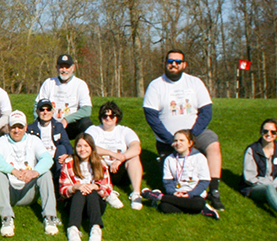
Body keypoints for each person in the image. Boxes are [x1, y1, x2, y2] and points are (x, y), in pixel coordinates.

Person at [143, 49, 224, 210]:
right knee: (173, 181)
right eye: (170, 61)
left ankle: (214, 190)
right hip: (168, 138)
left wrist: (191, 136)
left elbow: (206, 112)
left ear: (184, 64)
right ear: (165, 64)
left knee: (214, 145)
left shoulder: (195, 82)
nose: (174, 64)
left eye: (178, 61)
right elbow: (151, 116)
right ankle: (176, 196)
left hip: (196, 133)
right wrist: (171, 139)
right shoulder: (156, 85)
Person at [0, 110, 59, 237]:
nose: (17, 130)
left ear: (26, 127)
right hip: (10, 192)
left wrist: (34, 172)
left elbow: (47, 159)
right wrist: (13, 171)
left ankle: (50, 217)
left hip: (29, 191)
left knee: (45, 173)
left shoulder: (34, 140)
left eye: (20, 127)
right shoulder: (1, 141)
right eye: (13, 127)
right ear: (8, 127)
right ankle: (7, 218)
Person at [140, 130, 220, 220]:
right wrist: (174, 192)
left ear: (190, 143)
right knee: (164, 207)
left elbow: (204, 181)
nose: (178, 143)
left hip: (195, 195)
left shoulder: (200, 158)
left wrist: (190, 194)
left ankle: (160, 197)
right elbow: (167, 181)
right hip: (176, 194)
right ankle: (201, 209)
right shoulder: (169, 159)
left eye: (182, 140)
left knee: (198, 203)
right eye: (175, 141)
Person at [85, 101, 144, 210]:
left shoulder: (124, 131)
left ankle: (136, 193)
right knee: (95, 157)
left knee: (134, 158)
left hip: (120, 169)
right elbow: (88, 146)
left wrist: (121, 159)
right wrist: (111, 154)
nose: (108, 118)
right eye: (105, 115)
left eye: (112, 116)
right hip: (101, 169)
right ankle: (107, 192)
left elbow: (136, 147)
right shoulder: (94, 130)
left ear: (117, 117)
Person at [59, 133, 113, 241]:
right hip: (74, 204)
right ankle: (73, 228)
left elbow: (107, 188)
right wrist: (75, 187)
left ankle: (95, 227)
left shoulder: (100, 162)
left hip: (94, 205)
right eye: (79, 146)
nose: (82, 149)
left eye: (86, 146)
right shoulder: (69, 162)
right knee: (79, 192)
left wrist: (95, 186)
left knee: (91, 193)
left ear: (91, 147)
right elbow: (63, 190)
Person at [34, 54, 93, 140]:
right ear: (57, 68)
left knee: (86, 122)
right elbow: (37, 106)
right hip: (50, 124)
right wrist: (40, 122)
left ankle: (82, 147)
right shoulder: (49, 82)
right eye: (61, 67)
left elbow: (86, 110)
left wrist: (66, 120)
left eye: (67, 67)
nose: (64, 70)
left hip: (70, 125)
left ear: (73, 68)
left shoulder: (80, 84)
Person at [27, 98, 72, 200]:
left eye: (48, 109)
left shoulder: (58, 126)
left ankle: (60, 185)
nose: (45, 112)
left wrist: (69, 155)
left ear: (52, 111)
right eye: (42, 109)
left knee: (61, 148)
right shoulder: (31, 129)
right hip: (40, 159)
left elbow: (66, 143)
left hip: (56, 157)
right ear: (37, 112)